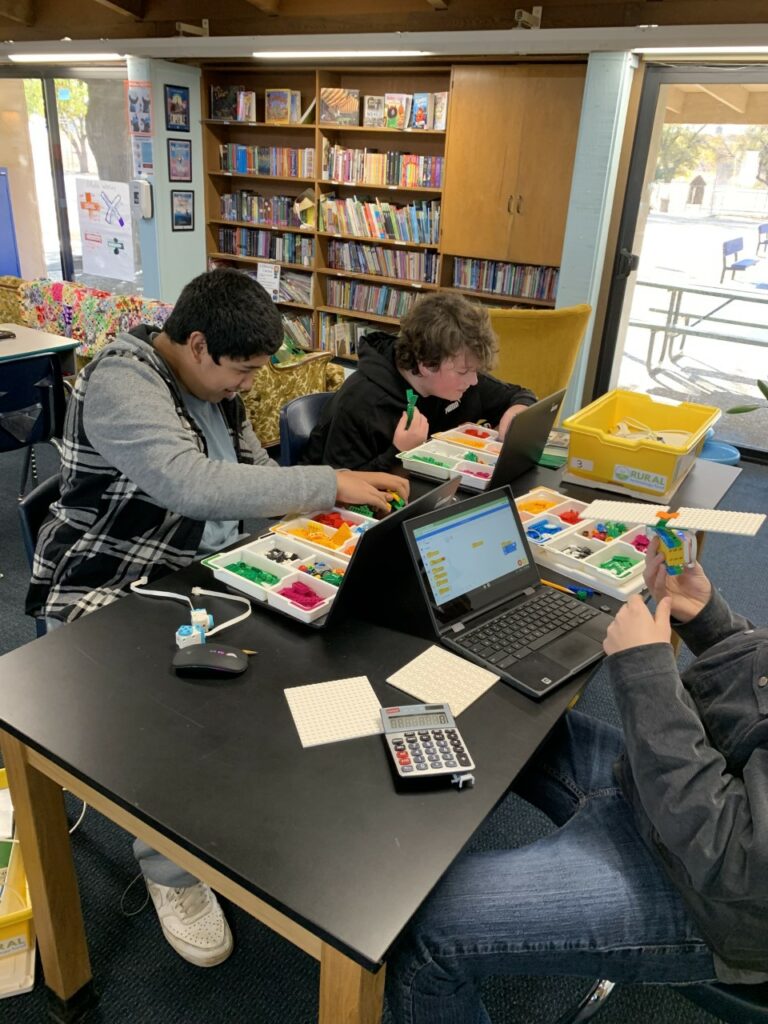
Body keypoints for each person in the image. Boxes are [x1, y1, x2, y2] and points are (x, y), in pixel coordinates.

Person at [26, 267, 407, 970]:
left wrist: (326, 518)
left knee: (309, 643)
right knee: (179, 705)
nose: (251, 385)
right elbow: (193, 484)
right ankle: (170, 868)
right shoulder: (123, 380)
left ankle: (237, 809)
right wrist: (328, 483)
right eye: (244, 369)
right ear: (197, 344)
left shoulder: (216, 390)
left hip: (197, 568)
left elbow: (251, 468)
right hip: (109, 579)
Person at [386, 538, 768, 1023]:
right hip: (664, 796)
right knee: (506, 712)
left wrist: (646, 672)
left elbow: (734, 856)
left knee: (425, 931)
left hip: (707, 899)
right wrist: (708, 618)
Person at [302, 293, 536, 471]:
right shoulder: (362, 401)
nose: (474, 381)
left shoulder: (459, 377)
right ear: (427, 365)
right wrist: (399, 451)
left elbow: (518, 395)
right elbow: (338, 485)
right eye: (464, 371)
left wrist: (517, 411)